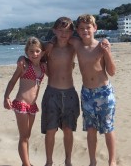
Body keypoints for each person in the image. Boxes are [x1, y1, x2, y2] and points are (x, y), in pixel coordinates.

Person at [69, 14, 117, 166]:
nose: (85, 31)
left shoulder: (101, 46)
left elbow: (112, 71)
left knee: (108, 128)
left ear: (95, 28)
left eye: (88, 28)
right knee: (91, 129)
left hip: (104, 92)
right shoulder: (76, 44)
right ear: (77, 30)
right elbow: (60, 37)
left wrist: (107, 52)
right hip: (87, 93)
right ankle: (92, 161)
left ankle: (112, 161)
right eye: (81, 28)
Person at [41, 17, 80, 166]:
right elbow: (32, 54)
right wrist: (21, 58)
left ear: (72, 32)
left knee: (68, 130)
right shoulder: (47, 47)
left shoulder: (74, 46)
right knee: (50, 130)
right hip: (52, 93)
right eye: (60, 30)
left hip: (70, 93)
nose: (64, 34)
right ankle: (49, 162)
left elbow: (88, 43)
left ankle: (68, 161)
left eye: (68, 31)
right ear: (54, 31)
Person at [3, 36, 47, 166]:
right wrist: (6, 97)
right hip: (21, 103)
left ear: (42, 52)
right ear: (26, 53)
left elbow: (52, 50)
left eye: (37, 51)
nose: (34, 54)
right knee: (23, 137)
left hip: (32, 106)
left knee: (27, 136)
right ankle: (26, 164)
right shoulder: (24, 66)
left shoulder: (43, 67)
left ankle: (25, 162)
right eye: (31, 51)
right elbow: (12, 81)